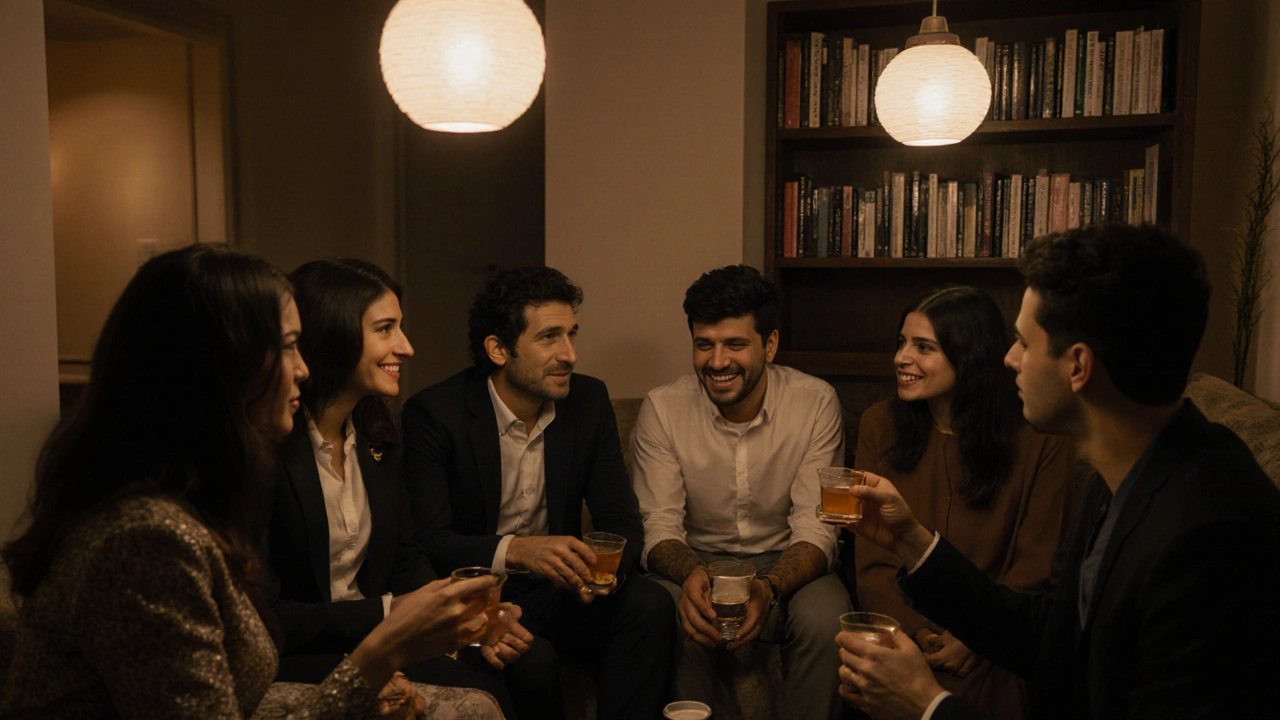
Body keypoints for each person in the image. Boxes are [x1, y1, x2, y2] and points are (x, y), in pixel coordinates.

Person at [0, 245, 501, 719]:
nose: (303, 369)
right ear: (217, 368)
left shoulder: (195, 501)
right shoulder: (145, 537)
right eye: (286, 348)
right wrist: (381, 651)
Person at [836, 224, 1280, 720]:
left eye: (1025, 342)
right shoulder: (1126, 475)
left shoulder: (1210, 537)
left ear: (1078, 367)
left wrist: (927, 705)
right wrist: (912, 543)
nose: (1007, 359)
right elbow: (1049, 633)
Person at [265, 258, 540, 717]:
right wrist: (394, 614)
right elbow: (270, 615)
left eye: (401, 327)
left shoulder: (378, 437)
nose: (406, 347)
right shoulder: (270, 449)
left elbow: (405, 554)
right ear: (332, 335)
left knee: (511, 663)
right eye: (386, 329)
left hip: (382, 634)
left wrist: (463, 617)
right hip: (302, 653)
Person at [401, 266, 675, 720]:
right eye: (549, 337)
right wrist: (520, 551)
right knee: (534, 660)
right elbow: (430, 541)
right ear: (498, 349)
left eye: (571, 334)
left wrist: (599, 576)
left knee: (651, 604)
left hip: (561, 591)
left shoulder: (587, 402)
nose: (569, 354)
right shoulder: (435, 414)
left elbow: (622, 522)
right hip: (478, 598)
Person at [631, 264, 851, 720]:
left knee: (825, 617)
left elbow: (818, 525)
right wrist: (693, 575)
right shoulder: (662, 408)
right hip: (696, 557)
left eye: (735, 344)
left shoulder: (815, 402)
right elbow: (658, 524)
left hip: (786, 559)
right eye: (704, 345)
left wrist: (767, 588)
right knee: (671, 611)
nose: (717, 362)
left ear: (769, 344)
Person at [851, 285, 1076, 720]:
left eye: (923, 347)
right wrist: (914, 634)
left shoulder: (1042, 438)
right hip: (901, 635)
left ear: (969, 355)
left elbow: (1037, 565)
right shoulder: (879, 425)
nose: (901, 358)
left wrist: (978, 639)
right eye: (901, 343)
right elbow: (873, 561)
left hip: (997, 644)